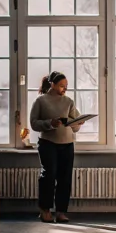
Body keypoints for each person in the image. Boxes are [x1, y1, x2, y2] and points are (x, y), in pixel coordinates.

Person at [29, 71, 82, 223]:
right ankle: (45, 210)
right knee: (48, 177)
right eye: (61, 86)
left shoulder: (68, 101)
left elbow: (75, 126)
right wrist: (49, 123)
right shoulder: (41, 101)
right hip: (48, 144)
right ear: (52, 84)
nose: (64, 89)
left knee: (65, 178)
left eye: (66, 86)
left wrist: (78, 123)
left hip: (67, 144)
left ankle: (61, 211)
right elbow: (34, 124)